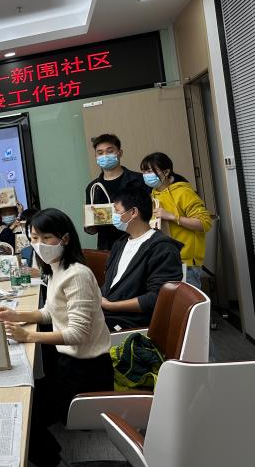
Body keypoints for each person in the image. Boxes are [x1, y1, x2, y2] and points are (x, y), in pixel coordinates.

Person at [0, 209, 112, 467]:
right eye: (34, 238)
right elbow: (52, 311)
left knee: (21, 417)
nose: (39, 244)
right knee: (24, 407)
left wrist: (28, 335)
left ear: (65, 238)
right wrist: (19, 315)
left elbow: (77, 334)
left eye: (46, 237)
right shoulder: (57, 268)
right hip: (68, 366)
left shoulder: (78, 275)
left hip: (88, 374)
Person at [100, 188, 183, 330]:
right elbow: (110, 284)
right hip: (107, 313)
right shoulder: (120, 244)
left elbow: (158, 297)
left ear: (133, 212)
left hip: (131, 322)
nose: (113, 216)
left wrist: (110, 306)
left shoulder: (162, 248)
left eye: (116, 211)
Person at [141, 152, 212, 289]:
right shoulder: (153, 195)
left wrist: (172, 217)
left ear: (166, 172)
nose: (146, 175)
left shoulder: (184, 192)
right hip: (164, 260)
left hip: (185, 262)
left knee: (188, 301)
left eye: (150, 171)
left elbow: (205, 223)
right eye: (144, 172)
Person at [84, 134, 145, 251]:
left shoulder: (139, 180)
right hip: (108, 249)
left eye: (110, 151)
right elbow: (92, 228)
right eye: (100, 153)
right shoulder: (93, 188)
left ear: (120, 153)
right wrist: (89, 226)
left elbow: (150, 215)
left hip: (137, 244)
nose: (105, 156)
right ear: (96, 156)